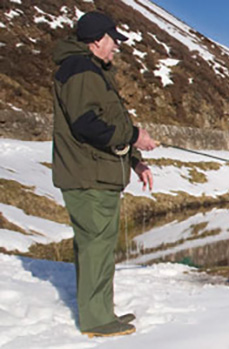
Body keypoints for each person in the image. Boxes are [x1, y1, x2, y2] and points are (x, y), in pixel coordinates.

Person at [51, 11, 158, 338]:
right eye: (113, 42)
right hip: (88, 176)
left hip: (97, 173)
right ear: (97, 41)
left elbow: (108, 124)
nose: (116, 48)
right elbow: (89, 126)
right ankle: (96, 320)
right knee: (96, 244)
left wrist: (135, 161)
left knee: (97, 244)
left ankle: (101, 311)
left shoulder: (90, 70)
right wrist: (134, 136)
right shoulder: (81, 71)